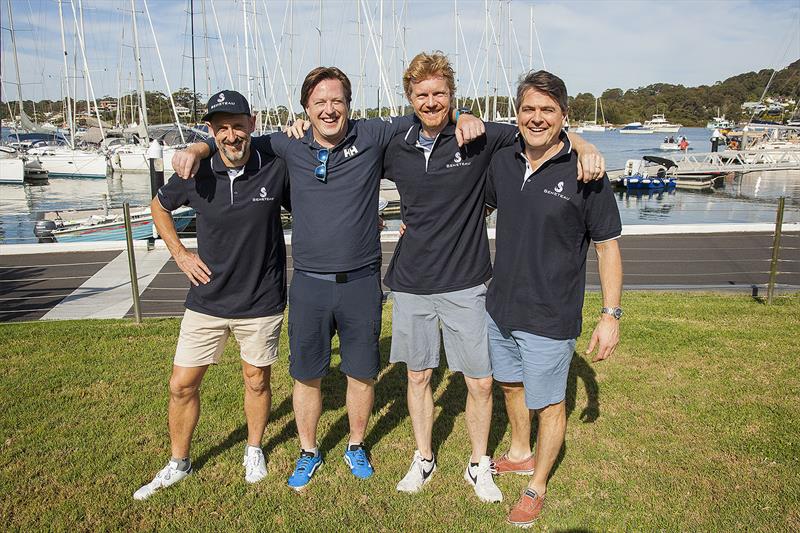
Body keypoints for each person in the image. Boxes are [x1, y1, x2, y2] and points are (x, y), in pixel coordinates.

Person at [171, 67, 486, 490]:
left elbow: (428, 111)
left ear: (349, 106)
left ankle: (356, 445)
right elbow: (236, 139)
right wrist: (198, 146)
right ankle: (308, 450)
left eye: (337, 101)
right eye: (319, 103)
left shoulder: (372, 134)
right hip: (310, 283)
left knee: (360, 372)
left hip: (360, 280)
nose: (329, 109)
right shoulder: (289, 142)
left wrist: (463, 113)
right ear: (306, 109)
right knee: (307, 373)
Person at [382, 52, 607, 503]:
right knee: (418, 377)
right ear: (410, 97)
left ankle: (478, 462)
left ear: (452, 96)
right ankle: (423, 455)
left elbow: (544, 128)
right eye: (422, 94)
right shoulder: (394, 142)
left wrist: (584, 144)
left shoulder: (479, 136)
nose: (431, 102)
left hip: (468, 283)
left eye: (440, 94)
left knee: (481, 381)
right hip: (411, 282)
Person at [134, 90, 291, 500]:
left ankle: (253, 449)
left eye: (238, 125)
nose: (231, 135)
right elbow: (158, 206)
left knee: (256, 381)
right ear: (211, 131)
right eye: (221, 128)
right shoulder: (197, 171)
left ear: (252, 124)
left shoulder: (274, 165)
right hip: (206, 299)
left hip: (261, 300)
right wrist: (180, 253)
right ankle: (178, 462)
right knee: (181, 384)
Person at [484, 70, 623, 527]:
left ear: (565, 116)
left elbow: (607, 248)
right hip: (500, 306)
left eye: (548, 110)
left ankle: (536, 484)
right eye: (529, 109)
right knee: (510, 385)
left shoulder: (587, 173)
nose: (537, 118)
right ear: (517, 113)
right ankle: (521, 451)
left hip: (550, 313)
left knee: (549, 404)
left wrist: (610, 315)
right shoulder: (504, 162)